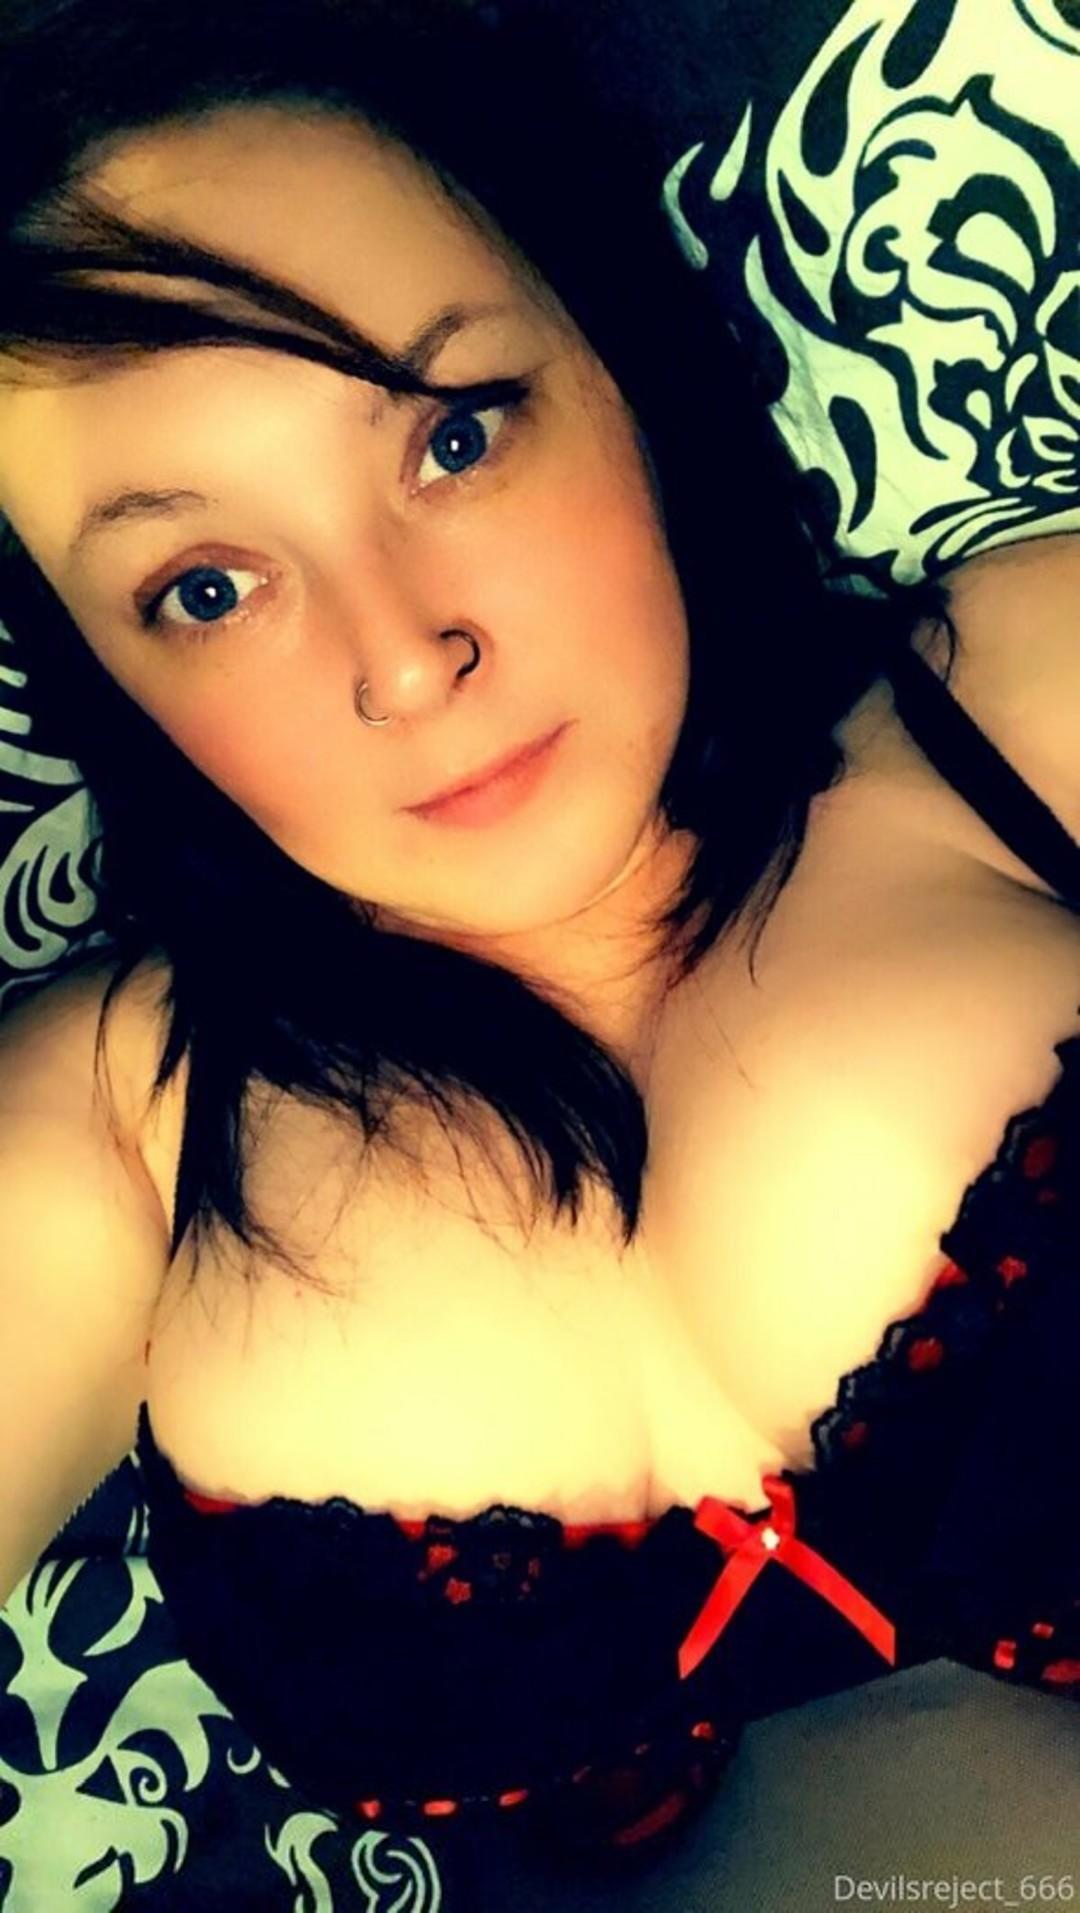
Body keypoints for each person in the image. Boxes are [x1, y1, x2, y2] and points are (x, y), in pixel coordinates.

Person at [0, 0, 1076, 1896]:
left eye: (452, 435)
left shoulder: (1019, 704)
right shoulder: (106, 1128)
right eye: (206, 585)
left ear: (614, 361)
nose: (405, 658)